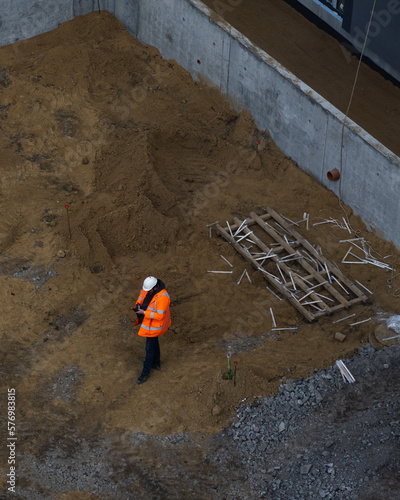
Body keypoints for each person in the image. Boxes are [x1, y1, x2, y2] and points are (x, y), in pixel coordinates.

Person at [134, 276, 171, 384]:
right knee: (154, 343)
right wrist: (138, 305)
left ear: (155, 287)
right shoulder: (148, 289)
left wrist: (144, 313)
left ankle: (145, 372)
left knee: (149, 348)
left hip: (154, 326)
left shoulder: (163, 297)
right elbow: (141, 296)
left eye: (148, 289)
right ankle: (156, 363)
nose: (146, 291)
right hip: (150, 324)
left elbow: (160, 316)